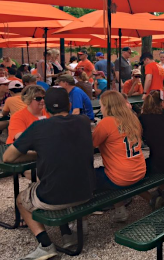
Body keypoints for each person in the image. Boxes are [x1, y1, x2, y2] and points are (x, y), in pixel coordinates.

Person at [3, 87, 95, 260]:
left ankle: (46, 245)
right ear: (68, 105)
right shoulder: (83, 121)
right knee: (59, 180)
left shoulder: (39, 127)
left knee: (21, 200)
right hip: (87, 191)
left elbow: (8, 157)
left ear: (45, 107)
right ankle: (66, 233)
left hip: (57, 196)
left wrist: (37, 153)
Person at [93, 91, 146, 222]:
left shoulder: (106, 122)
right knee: (113, 168)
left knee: (89, 174)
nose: (101, 108)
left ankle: (82, 219)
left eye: (102, 105)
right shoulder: (133, 118)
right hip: (140, 172)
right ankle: (120, 208)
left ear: (108, 106)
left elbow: (91, 144)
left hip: (121, 178)